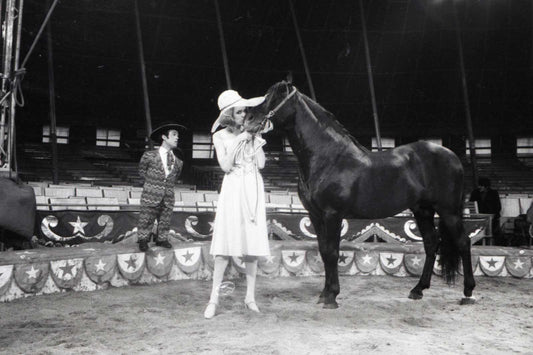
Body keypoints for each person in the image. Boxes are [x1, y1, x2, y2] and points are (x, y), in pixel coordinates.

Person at [204, 90, 271, 319]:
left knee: (251, 246)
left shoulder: (250, 134)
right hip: (233, 188)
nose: (244, 114)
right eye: (240, 111)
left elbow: (261, 164)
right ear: (230, 114)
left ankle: (250, 297)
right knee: (224, 248)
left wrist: (254, 139)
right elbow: (224, 165)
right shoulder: (220, 136)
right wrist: (239, 141)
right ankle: (213, 299)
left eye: (245, 111)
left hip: (252, 187)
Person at [137, 123, 184, 252]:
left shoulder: (179, 162)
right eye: (174, 134)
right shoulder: (149, 156)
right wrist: (151, 186)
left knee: (165, 220)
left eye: (178, 135)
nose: (177, 138)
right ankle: (143, 240)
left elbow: (174, 178)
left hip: (168, 196)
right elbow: (142, 172)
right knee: (146, 219)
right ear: (164, 137)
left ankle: (162, 239)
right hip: (151, 194)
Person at [469, 177, 502, 245]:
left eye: (481, 186)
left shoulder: (494, 193)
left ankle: (491, 243)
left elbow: (498, 206)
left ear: (486, 186)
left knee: (492, 233)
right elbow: (471, 203)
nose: (479, 187)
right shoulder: (475, 193)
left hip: (492, 218)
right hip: (478, 217)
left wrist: (493, 215)